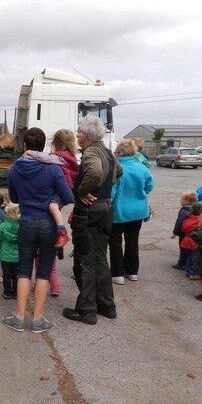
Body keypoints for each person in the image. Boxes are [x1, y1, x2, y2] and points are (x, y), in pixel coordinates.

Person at [2, 128, 74, 333]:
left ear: (25, 145)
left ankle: (18, 318)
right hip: (48, 225)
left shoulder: (15, 169)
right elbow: (68, 196)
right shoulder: (53, 168)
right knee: (43, 272)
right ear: (44, 146)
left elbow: (14, 198)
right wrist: (53, 201)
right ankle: (37, 320)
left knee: (24, 271)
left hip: (26, 223)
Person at [63, 116, 122, 325]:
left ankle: (86, 310)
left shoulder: (91, 153)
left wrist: (82, 191)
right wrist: (104, 189)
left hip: (91, 212)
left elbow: (95, 171)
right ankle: (107, 305)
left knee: (85, 260)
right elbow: (119, 171)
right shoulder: (107, 152)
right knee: (99, 258)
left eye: (79, 133)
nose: (77, 136)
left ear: (86, 135)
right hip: (105, 209)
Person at [109, 139, 155, 285]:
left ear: (119, 152)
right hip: (138, 211)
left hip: (119, 211)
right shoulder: (142, 168)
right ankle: (132, 271)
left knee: (115, 242)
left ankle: (117, 274)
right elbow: (149, 186)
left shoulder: (117, 168)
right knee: (132, 241)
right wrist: (140, 194)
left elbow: (111, 192)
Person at [26, 129, 79, 247]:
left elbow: (46, 158)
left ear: (57, 143)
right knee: (55, 208)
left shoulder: (61, 157)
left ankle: (62, 232)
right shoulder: (70, 156)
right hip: (68, 187)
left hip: (65, 187)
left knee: (53, 206)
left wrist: (31, 153)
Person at [0, 203, 20, 300]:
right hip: (18, 256)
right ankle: (16, 293)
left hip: (5, 256)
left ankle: (7, 293)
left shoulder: (2, 226)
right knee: (16, 275)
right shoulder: (21, 227)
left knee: (6, 275)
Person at [171, 191, 198, 270]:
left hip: (183, 233)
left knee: (183, 248)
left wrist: (175, 232)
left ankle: (181, 264)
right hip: (193, 233)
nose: (180, 200)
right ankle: (190, 263)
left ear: (187, 201)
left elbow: (179, 222)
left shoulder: (184, 211)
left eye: (182, 199)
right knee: (192, 249)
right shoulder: (196, 209)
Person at [179, 203, 202, 278]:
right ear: (201, 211)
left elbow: (183, 229)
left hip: (187, 240)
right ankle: (192, 273)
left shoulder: (187, 219)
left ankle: (188, 271)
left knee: (189, 257)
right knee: (194, 258)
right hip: (195, 242)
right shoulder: (200, 221)